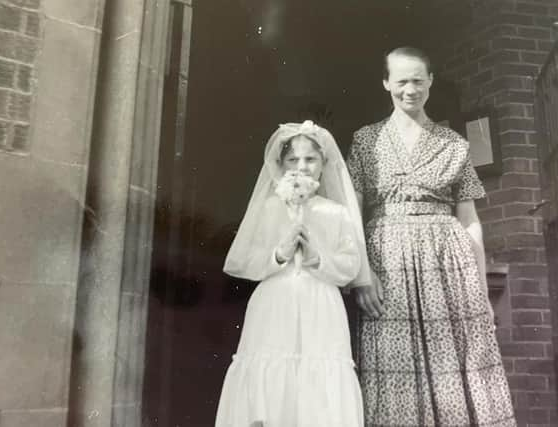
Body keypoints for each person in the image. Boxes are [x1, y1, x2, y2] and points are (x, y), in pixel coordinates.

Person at [347, 47, 516, 426]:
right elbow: (351, 214)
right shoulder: (365, 141)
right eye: (402, 80)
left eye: (418, 80)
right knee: (392, 365)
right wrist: (362, 274)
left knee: (457, 363)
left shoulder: (454, 143)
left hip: (448, 265)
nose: (411, 89)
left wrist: (481, 290)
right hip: (386, 266)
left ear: (431, 82)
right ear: (386, 82)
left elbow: (470, 220)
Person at [215, 120, 372, 427]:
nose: (302, 166)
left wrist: (318, 259)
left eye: (311, 159)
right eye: (293, 159)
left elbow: (351, 264)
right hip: (276, 302)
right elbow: (239, 260)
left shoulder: (336, 212)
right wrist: (278, 254)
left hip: (320, 304)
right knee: (273, 375)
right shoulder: (269, 209)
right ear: (281, 164)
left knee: (319, 379)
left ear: (324, 163)